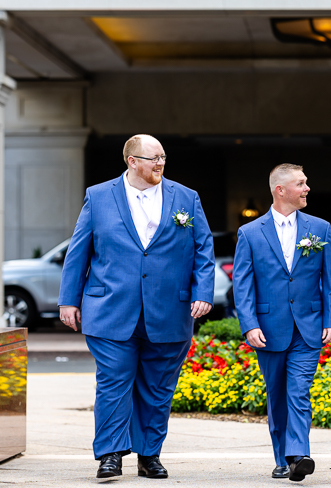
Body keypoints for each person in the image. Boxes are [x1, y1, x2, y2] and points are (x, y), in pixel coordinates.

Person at [57, 134, 215, 479]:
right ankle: (110, 455)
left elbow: (204, 250)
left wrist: (203, 292)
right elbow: (79, 251)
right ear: (132, 161)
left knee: (158, 388)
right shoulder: (98, 197)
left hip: (170, 311)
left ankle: (149, 454)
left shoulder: (186, 198)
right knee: (113, 383)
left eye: (163, 157)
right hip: (110, 308)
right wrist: (68, 300)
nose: (160, 163)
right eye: (153, 158)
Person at [233, 164, 331, 482]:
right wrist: (249, 324)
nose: (307, 188)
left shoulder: (320, 228)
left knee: (299, 390)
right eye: (301, 183)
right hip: (268, 328)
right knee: (277, 393)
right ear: (280, 190)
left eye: (306, 182)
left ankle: (299, 454)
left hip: (308, 327)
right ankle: (282, 457)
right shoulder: (250, 233)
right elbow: (242, 283)